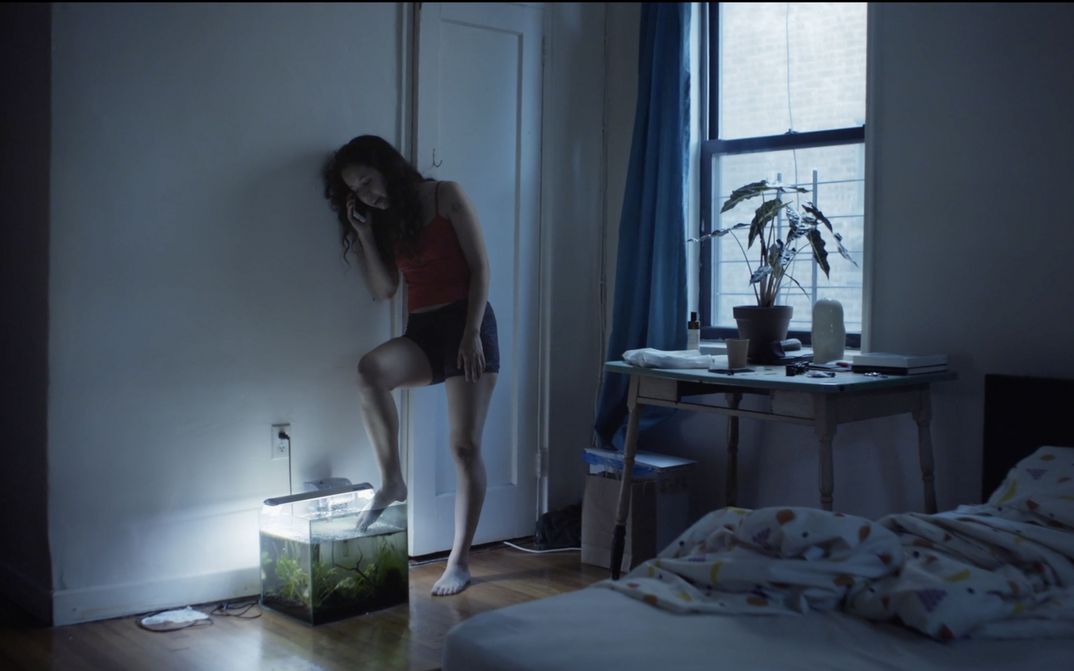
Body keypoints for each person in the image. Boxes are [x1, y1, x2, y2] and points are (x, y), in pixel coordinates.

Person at [322, 135, 499, 596]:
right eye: (356, 191)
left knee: (464, 447)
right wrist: (363, 234)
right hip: (423, 332)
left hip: (469, 324)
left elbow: (481, 267)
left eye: (367, 180)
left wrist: (471, 333)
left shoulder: (445, 194)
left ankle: (459, 560)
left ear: (387, 166)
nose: (366, 194)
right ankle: (392, 481)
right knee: (369, 371)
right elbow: (384, 290)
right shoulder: (384, 221)